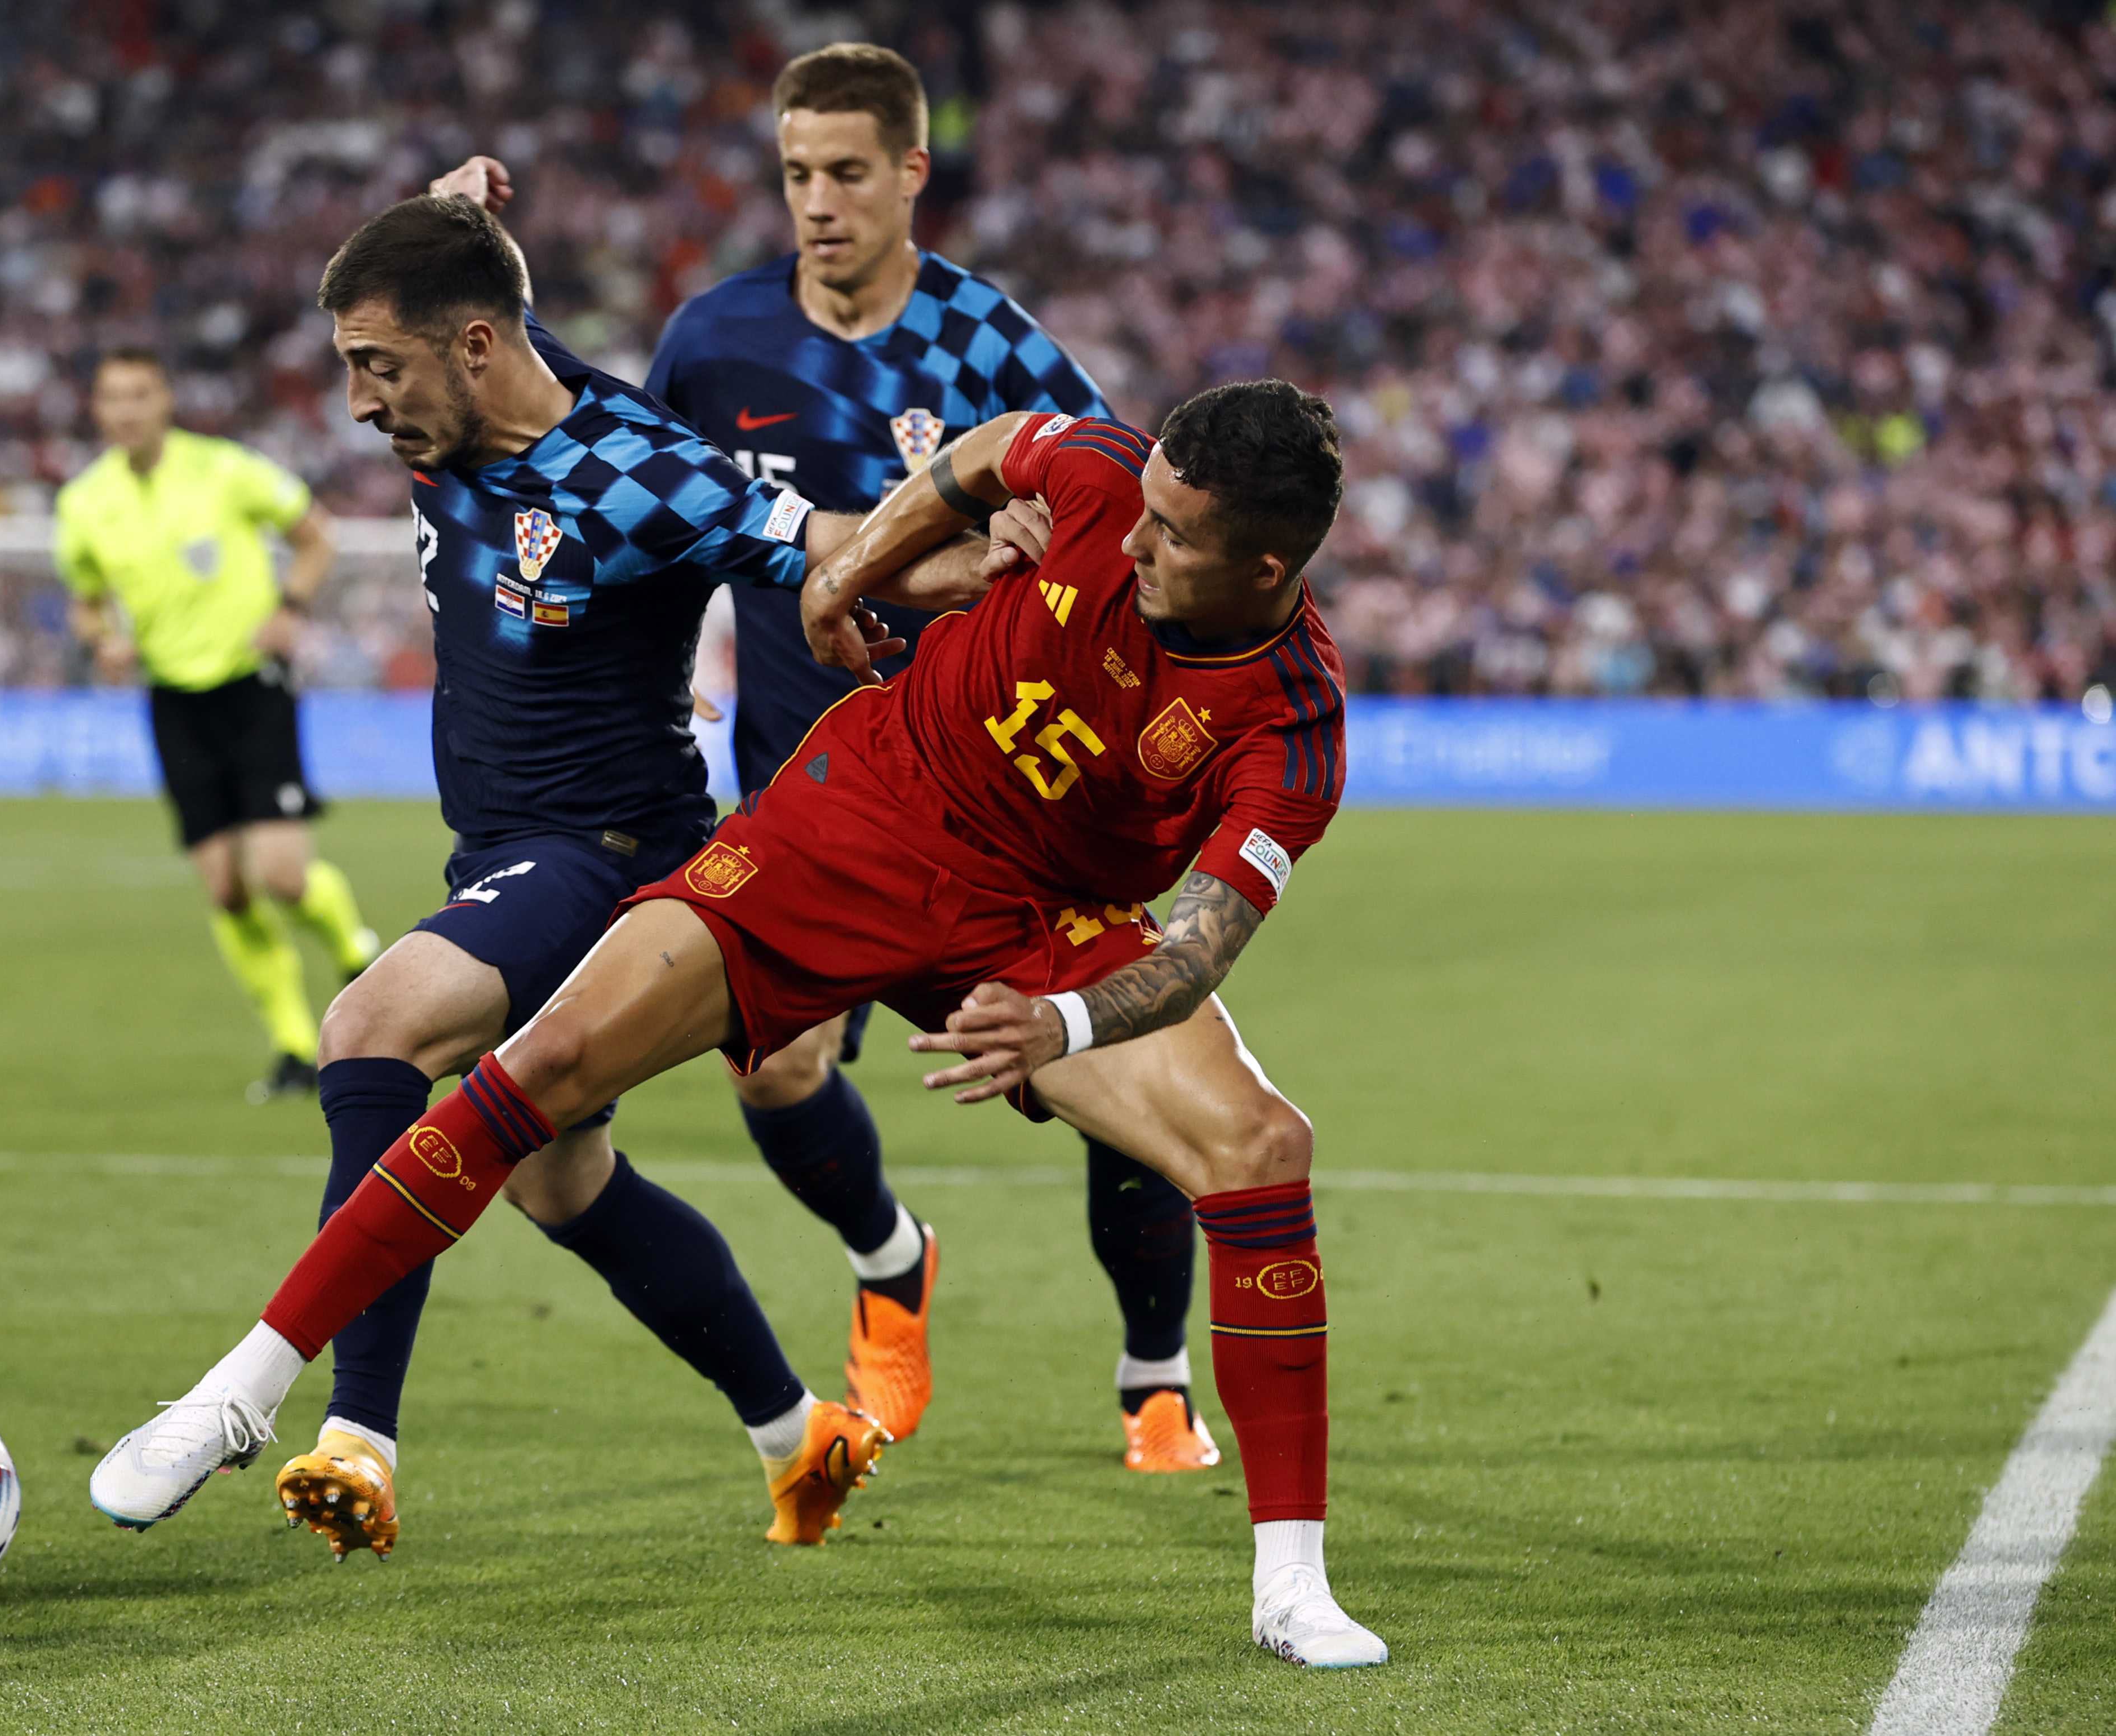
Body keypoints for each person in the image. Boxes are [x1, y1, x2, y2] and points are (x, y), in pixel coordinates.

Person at [89, 384, 1389, 1668]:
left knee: (1261, 1145)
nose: (1136, 540)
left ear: (1265, 564)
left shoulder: (1292, 717)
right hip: (865, 811)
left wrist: (1057, 1022)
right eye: (1144, 509)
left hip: (1046, 921)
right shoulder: (1108, 475)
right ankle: (234, 1397)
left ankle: (1289, 1587)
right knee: (543, 1063)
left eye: (1173, 534)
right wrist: (849, 573)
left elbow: (1200, 944)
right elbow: (990, 453)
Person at [92, 191, 1002, 1557]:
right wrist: (441, 210)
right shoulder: (467, 397)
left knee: (372, 1026)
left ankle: (344, 1429)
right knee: (559, 1185)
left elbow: (828, 541)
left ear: (466, 345)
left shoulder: (641, 473)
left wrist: (994, 558)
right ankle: (796, 1433)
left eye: (375, 367)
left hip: (613, 854)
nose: (355, 404)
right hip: (504, 848)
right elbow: (505, 319)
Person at [643, 43, 1217, 1470]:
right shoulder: (710, 345)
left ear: (911, 171)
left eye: (846, 172)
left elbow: (1125, 523)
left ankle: (1153, 1378)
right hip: (818, 785)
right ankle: (890, 1259)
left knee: (1116, 1083)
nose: (818, 202)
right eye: (794, 176)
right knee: (767, 1072)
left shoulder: (998, 348)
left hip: (1011, 802)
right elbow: (649, 523)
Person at [54, 349, 380, 1102]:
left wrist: (290, 610)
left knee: (284, 874)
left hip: (251, 686)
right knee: (227, 890)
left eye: (141, 394)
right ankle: (295, 1046)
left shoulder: (226, 470)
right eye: (113, 397)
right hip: (174, 698)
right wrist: (99, 640)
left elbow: (315, 535)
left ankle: (356, 949)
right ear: (98, 410)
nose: (127, 410)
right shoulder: (84, 503)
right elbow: (84, 594)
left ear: (165, 398)